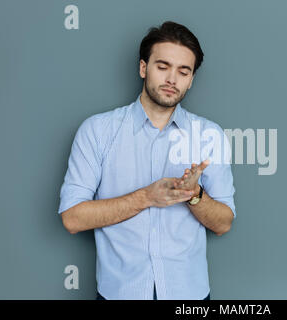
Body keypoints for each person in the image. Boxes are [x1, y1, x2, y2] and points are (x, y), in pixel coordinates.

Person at [57, 21, 236, 300]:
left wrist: (195, 196)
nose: (172, 79)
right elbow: (72, 218)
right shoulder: (97, 131)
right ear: (144, 68)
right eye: (162, 67)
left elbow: (224, 223)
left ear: (191, 80)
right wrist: (147, 197)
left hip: (189, 296)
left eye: (183, 71)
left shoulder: (208, 135)